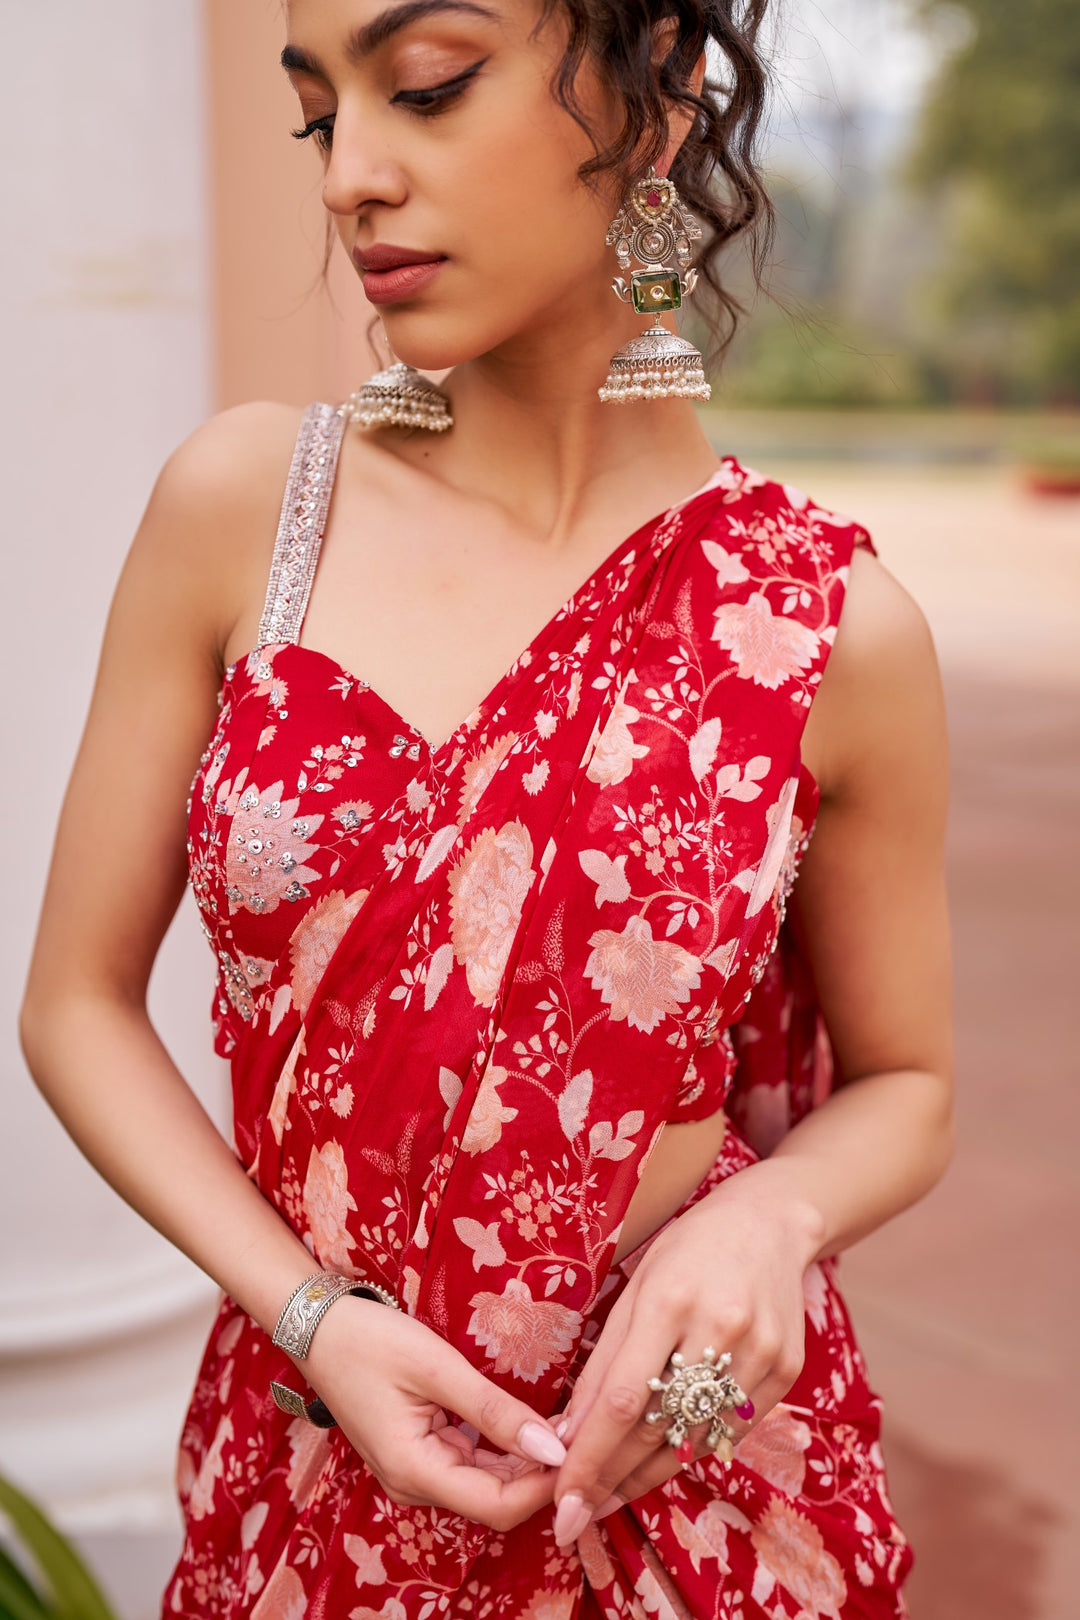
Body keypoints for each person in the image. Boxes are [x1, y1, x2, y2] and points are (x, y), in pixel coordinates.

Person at [18, 2, 954, 1615]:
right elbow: (75, 1006)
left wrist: (772, 1222)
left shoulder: (821, 628)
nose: (350, 178)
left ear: (655, 97)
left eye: (429, 88)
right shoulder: (250, 511)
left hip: (676, 1493)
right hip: (311, 1461)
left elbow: (912, 1081)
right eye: (320, 118)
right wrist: (310, 1316)